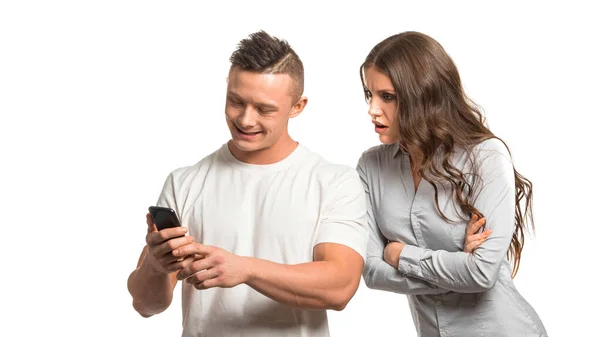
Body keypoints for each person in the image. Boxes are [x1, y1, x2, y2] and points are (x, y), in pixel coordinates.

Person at [127, 30, 369, 337]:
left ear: (298, 106)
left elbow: (340, 287)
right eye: (235, 101)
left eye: (264, 109)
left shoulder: (334, 181)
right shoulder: (184, 182)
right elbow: (146, 305)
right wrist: (156, 267)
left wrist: (246, 269)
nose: (245, 119)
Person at [356, 31, 548, 337]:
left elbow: (482, 275)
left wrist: (400, 255)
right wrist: (459, 268)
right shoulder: (371, 166)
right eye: (369, 94)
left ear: (424, 94)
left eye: (387, 96)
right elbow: (372, 272)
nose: (372, 109)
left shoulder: (485, 157)